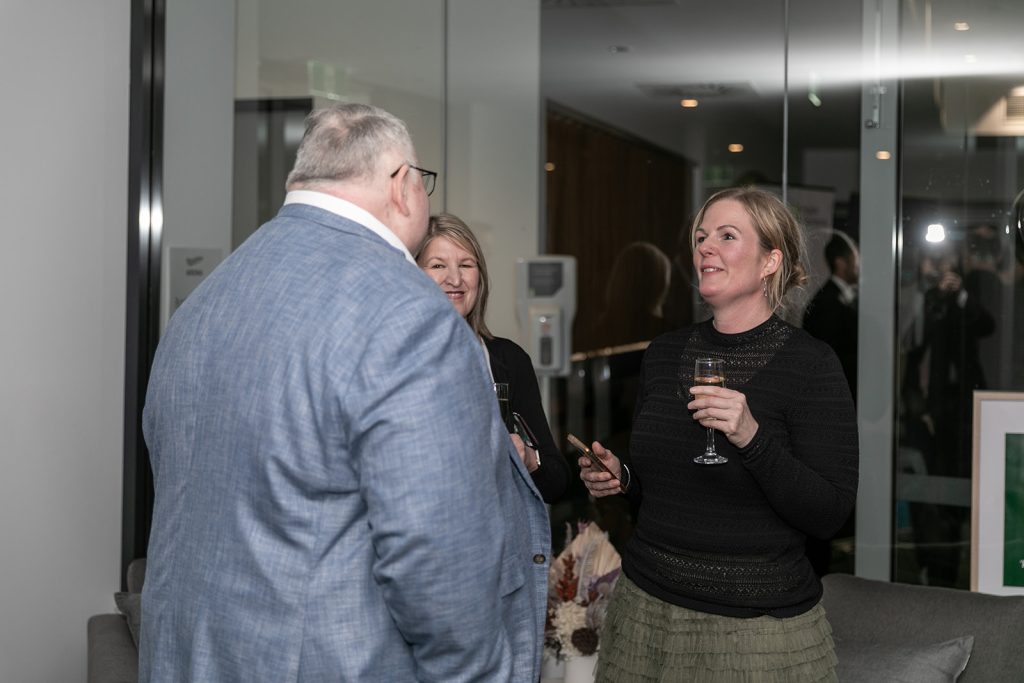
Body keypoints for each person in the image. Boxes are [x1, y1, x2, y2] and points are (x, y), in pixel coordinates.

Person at [140, 104, 550, 682]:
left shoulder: (206, 301)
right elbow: (439, 565)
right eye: (423, 181)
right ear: (402, 185)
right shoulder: (410, 314)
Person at [578, 187, 859, 681]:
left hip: (755, 633)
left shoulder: (810, 364)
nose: (705, 247)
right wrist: (623, 477)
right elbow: (663, 490)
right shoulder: (663, 353)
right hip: (645, 613)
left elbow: (830, 514)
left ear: (770, 261)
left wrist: (752, 437)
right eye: (701, 237)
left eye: (727, 236)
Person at [416, 212, 569, 503]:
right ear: (414, 275)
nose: (455, 279)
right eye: (438, 265)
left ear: (480, 278)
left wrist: (528, 459)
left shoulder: (508, 360)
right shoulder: (393, 361)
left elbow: (557, 482)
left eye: (466, 265)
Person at [802, 231, 859, 399]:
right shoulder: (825, 302)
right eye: (856, 261)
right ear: (841, 263)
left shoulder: (844, 296)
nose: (859, 267)